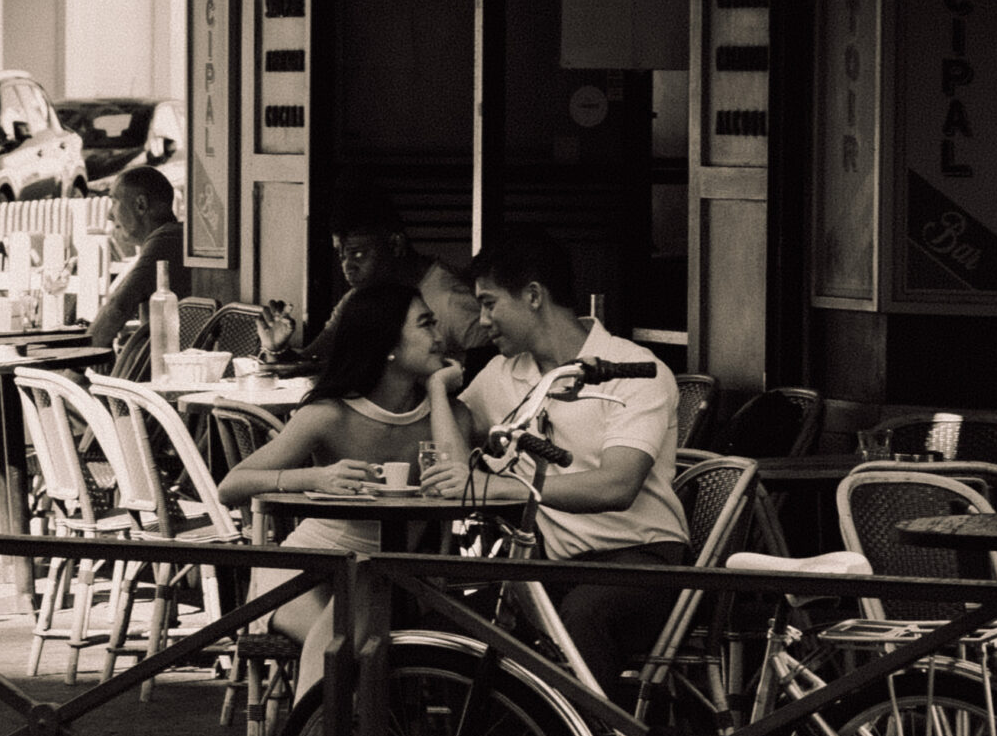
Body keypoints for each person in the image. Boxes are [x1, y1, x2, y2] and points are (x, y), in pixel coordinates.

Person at [437, 227, 688, 704]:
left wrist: (508, 489)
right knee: (453, 618)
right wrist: (436, 389)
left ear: (533, 296)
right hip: (554, 568)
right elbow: (455, 469)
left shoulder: (632, 369)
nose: (482, 321)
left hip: (642, 561)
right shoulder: (502, 373)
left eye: (489, 304)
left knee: (582, 616)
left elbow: (617, 485)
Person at [219, 281, 469, 694]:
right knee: (344, 641)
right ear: (387, 344)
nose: (439, 336)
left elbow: (458, 484)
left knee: (357, 607)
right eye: (425, 324)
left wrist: (439, 391)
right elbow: (231, 487)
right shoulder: (330, 414)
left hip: (391, 581)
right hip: (304, 572)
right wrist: (314, 478)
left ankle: (316, 733)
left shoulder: (448, 415)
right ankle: (325, 733)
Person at [258, 186, 485, 369]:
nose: (347, 266)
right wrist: (276, 350)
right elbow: (311, 361)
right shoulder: (359, 297)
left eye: (357, 253)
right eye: (341, 255)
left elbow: (490, 368)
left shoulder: (451, 300)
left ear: (395, 244)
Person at [86, 166, 186, 352]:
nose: (109, 215)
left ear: (141, 204)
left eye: (114, 201)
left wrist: (79, 362)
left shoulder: (166, 240)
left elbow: (117, 309)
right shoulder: (172, 238)